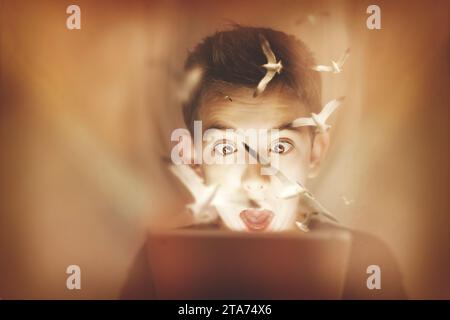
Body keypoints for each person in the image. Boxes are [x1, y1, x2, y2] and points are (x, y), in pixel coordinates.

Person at [121, 25, 406, 299]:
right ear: (193, 159)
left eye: (280, 147)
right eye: (225, 149)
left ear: (315, 152)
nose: (255, 180)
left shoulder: (364, 265)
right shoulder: (161, 265)